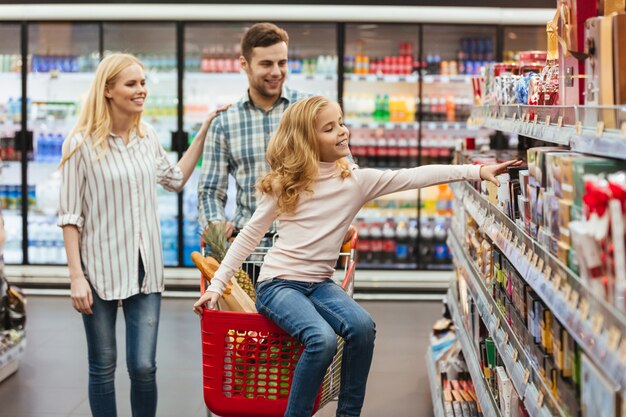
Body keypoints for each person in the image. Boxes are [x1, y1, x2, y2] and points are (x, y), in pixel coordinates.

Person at [193, 95, 519, 417]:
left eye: (342, 123)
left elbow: (415, 175)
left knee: (362, 326)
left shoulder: (355, 181)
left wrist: (477, 172)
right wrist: (217, 284)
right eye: (330, 128)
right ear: (307, 139)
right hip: (278, 285)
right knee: (320, 340)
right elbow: (249, 235)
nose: (343, 131)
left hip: (319, 284)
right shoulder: (286, 184)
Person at [57, 52, 222, 417]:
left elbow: (175, 179)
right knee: (103, 366)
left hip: (146, 269)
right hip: (98, 269)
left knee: (144, 367)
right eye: (132, 84)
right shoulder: (80, 144)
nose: (141, 90)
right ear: (108, 91)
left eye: (143, 83)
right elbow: (70, 216)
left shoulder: (147, 137)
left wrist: (205, 129)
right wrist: (75, 277)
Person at [197, 22, 310, 239]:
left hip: (303, 246)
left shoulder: (309, 110)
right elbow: (210, 190)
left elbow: (341, 172)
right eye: (266, 64)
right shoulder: (224, 123)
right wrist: (215, 222)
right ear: (244, 64)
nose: (276, 72)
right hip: (249, 249)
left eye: (282, 63)